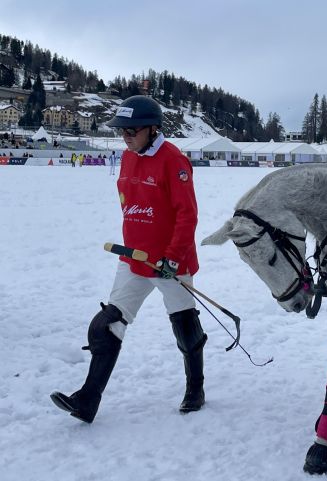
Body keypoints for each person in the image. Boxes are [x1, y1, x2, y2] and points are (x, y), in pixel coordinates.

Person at [50, 95, 206, 423]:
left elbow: (187, 215)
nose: (126, 136)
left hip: (169, 262)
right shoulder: (128, 157)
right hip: (134, 258)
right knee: (107, 325)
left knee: (185, 327)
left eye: (132, 130)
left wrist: (172, 257)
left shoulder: (172, 160)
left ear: (152, 128)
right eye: (123, 131)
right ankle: (87, 400)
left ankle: (195, 388)